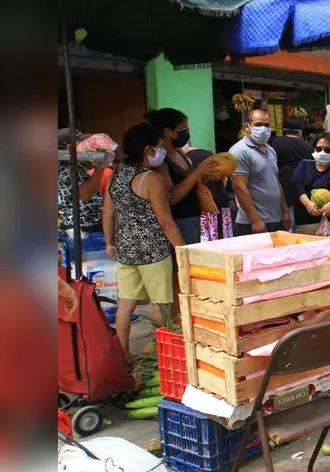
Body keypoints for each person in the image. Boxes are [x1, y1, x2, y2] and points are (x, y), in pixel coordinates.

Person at [103, 122, 186, 362]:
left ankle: (124, 353)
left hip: (126, 249)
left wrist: (110, 241)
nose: (160, 151)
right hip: (154, 251)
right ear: (148, 149)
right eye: (159, 147)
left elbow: (108, 212)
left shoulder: (115, 174)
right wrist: (182, 250)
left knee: (126, 302)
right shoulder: (150, 178)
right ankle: (161, 352)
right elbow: (165, 221)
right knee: (160, 303)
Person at [146, 108, 220, 245]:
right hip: (178, 222)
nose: (187, 133)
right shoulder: (160, 162)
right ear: (168, 131)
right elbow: (170, 198)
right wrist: (197, 172)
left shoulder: (179, 153)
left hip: (193, 218)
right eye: (183, 129)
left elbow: (190, 184)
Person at [229, 109, 290, 235]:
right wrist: (255, 219)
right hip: (253, 223)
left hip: (276, 219)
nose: (263, 128)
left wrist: (284, 211)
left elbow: (275, 182)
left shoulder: (271, 150)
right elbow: (239, 187)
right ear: (247, 127)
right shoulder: (239, 151)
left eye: (267, 125)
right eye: (258, 124)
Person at [291, 132, 330, 236]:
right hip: (305, 224)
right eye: (319, 149)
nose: (322, 152)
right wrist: (307, 204)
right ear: (314, 149)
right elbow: (297, 184)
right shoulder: (304, 165)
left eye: (327, 150)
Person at [57, 128, 107, 242]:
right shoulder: (66, 168)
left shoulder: (69, 164)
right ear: (68, 147)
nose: (85, 145)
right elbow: (85, 194)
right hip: (84, 229)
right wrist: (100, 168)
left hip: (84, 227)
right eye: (79, 142)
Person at [269, 120, 313, 226]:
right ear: (299, 132)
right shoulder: (307, 146)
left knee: (286, 219)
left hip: (281, 187)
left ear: (284, 131)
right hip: (303, 190)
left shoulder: (275, 144)